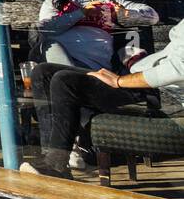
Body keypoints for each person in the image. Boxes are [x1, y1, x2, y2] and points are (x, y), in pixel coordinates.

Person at [23, 19, 184, 180]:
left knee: (64, 81)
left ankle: (55, 165)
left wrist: (119, 81)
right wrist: (133, 58)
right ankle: (52, 157)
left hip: (156, 90)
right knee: (43, 72)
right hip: (137, 76)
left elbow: (178, 69)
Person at [36, 0, 158, 70]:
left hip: (95, 66)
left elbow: (152, 16)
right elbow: (46, 28)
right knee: (48, 45)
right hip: (62, 60)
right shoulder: (54, 1)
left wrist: (123, 13)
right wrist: (82, 13)